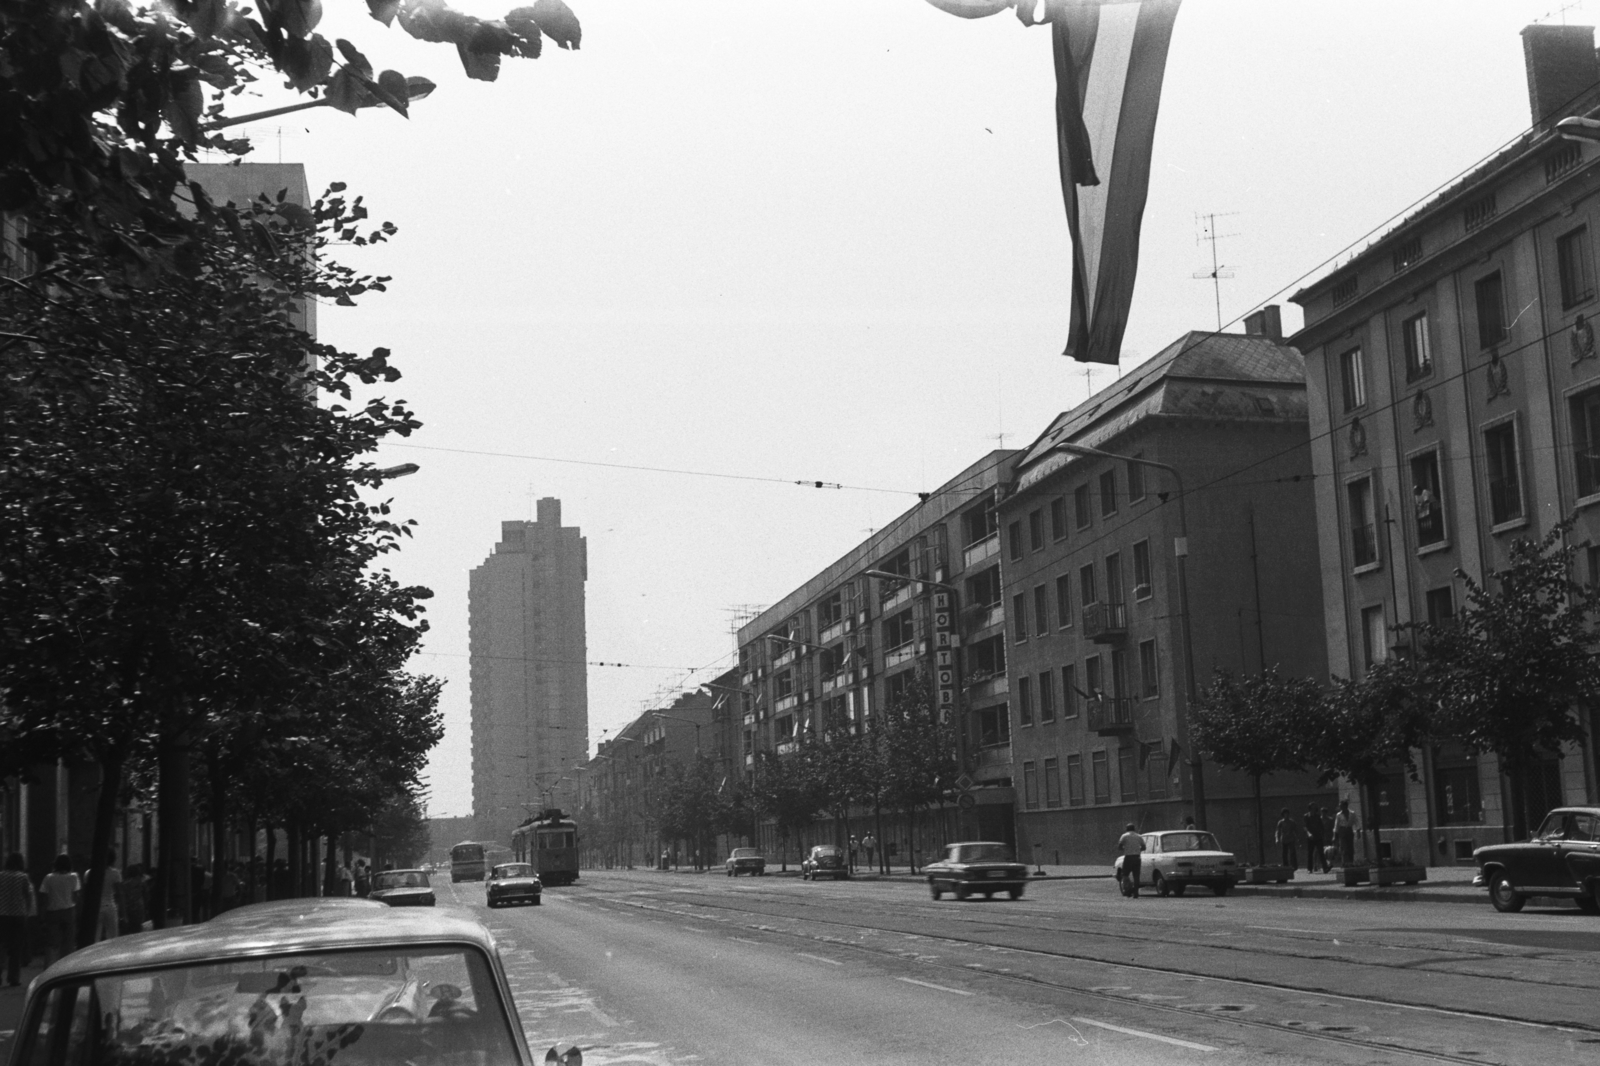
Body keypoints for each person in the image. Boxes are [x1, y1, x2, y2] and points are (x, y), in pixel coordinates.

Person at [0, 853, 35, 987]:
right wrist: (27, 911)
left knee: (1, 946)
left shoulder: (1, 876)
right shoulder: (23, 877)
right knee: (16, 948)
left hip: (2, 914)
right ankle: (13, 978)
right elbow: (28, 896)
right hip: (18, 915)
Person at [40, 855, 80, 965]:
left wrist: (42, 916)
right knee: (68, 943)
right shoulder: (74, 877)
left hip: (53, 912)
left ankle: (49, 967)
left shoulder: (48, 878)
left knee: (52, 944)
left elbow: (44, 898)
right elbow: (76, 896)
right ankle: (65, 967)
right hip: (69, 911)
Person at [95, 849, 122, 942]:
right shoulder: (115, 873)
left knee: (95, 937)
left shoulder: (90, 873)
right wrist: (123, 911)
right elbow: (119, 893)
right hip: (110, 905)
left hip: (96, 907)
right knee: (113, 936)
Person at [1116, 823, 1146, 898]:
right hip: (1137, 857)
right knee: (1136, 876)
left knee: (1124, 874)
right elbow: (1144, 847)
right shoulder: (1139, 836)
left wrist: (1125, 848)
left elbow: (1119, 846)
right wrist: (1138, 849)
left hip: (1128, 857)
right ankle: (1136, 893)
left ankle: (1129, 888)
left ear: (1127, 829)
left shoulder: (1124, 836)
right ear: (1134, 829)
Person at [1304, 804, 1327, 874]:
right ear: (1310, 809)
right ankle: (1309, 868)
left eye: (1314, 808)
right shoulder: (1306, 816)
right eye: (1312, 808)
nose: (1313, 810)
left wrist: (1323, 835)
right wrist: (1308, 833)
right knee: (1310, 853)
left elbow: (1321, 826)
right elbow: (1305, 827)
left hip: (1318, 837)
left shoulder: (1317, 817)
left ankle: (1325, 868)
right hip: (1310, 837)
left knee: (1321, 852)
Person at [1333, 798, 1357, 866]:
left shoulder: (1352, 813)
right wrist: (1335, 835)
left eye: (1341, 806)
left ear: (1345, 806)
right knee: (1344, 847)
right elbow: (1336, 825)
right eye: (1340, 806)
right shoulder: (1339, 815)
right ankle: (1345, 862)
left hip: (1349, 830)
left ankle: (1351, 862)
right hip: (1342, 831)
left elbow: (1356, 821)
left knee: (1350, 847)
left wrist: (1358, 830)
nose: (1340, 807)